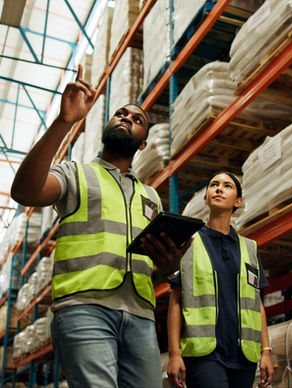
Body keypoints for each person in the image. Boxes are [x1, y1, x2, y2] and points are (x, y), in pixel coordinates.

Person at [11, 65, 190, 388]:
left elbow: (162, 269)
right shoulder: (75, 173)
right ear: (107, 125)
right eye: (121, 114)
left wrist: (169, 265)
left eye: (137, 120)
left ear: (144, 143)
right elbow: (24, 191)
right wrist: (64, 122)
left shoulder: (150, 197)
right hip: (84, 307)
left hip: (140, 314)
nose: (126, 118)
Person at [167, 171, 274, 388]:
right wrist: (174, 354)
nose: (218, 188)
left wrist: (266, 351)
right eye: (213, 184)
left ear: (238, 201)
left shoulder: (250, 248)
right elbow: (176, 300)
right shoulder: (189, 242)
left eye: (227, 186)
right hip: (204, 355)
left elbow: (257, 304)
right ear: (206, 197)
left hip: (244, 356)